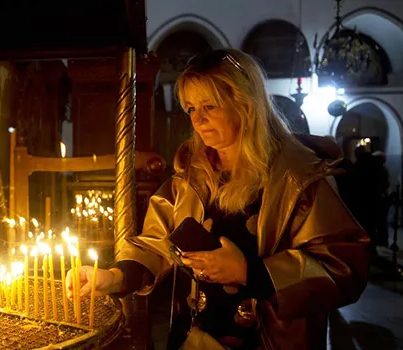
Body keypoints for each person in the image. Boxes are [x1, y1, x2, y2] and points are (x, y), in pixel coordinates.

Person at [67, 49, 370, 349]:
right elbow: (158, 244)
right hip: (194, 337)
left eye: (209, 106)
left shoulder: (300, 178)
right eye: (191, 109)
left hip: (269, 340)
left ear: (246, 104)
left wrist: (250, 271)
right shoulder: (192, 175)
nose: (198, 120)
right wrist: (116, 277)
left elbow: (343, 269)